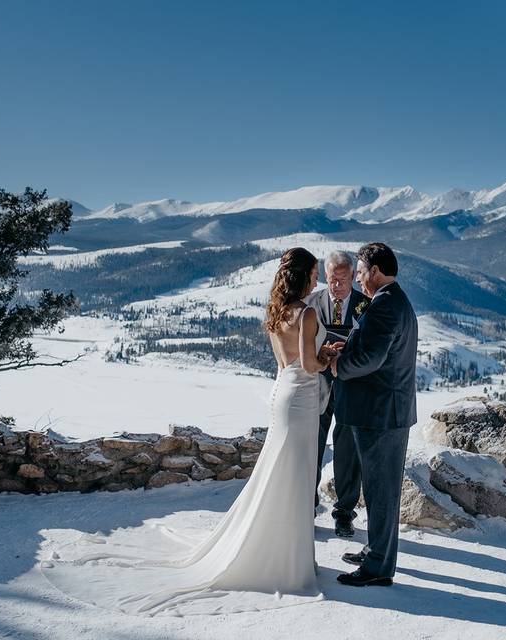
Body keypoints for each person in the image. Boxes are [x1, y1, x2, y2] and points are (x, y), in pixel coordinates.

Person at [38, 247, 339, 616]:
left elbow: (285, 361)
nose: (316, 279)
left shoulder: (277, 311)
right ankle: (289, 561)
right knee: (295, 473)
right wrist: (330, 356)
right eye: (313, 273)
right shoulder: (307, 313)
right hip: (301, 396)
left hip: (282, 392)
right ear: (303, 276)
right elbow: (309, 364)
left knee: (279, 472)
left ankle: (282, 553)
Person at [331, 243, 418, 587]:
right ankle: (375, 551)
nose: (360, 278)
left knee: (382, 493)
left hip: (380, 414)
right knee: (379, 489)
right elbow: (374, 348)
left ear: (377, 271)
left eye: (362, 272)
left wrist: (340, 365)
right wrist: (348, 346)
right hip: (384, 412)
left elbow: (372, 360)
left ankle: (379, 567)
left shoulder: (385, 305)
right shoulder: (393, 301)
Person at [305, 250, 368, 538]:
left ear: (353, 277)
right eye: (331, 280)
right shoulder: (313, 304)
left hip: (351, 387)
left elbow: (370, 347)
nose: (336, 286)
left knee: (347, 452)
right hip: (317, 386)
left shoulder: (365, 306)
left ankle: (344, 513)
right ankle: (307, 508)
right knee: (312, 448)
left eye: (342, 280)